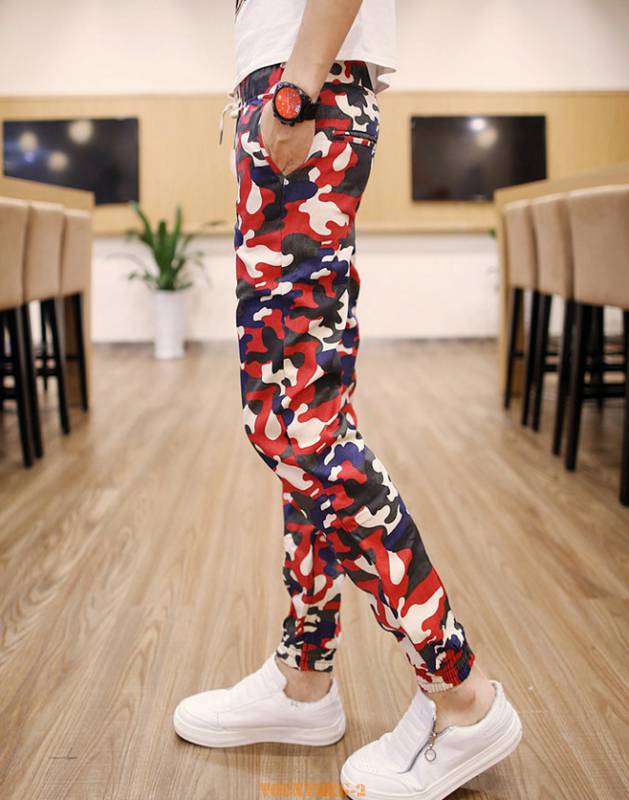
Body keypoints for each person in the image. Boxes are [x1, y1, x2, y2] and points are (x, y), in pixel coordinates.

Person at [174, 2, 522, 797]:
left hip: (304, 93)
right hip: (300, 89)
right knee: (308, 420)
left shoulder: (301, 92)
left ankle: (460, 694)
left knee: (295, 426)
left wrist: (292, 95)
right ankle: (305, 674)